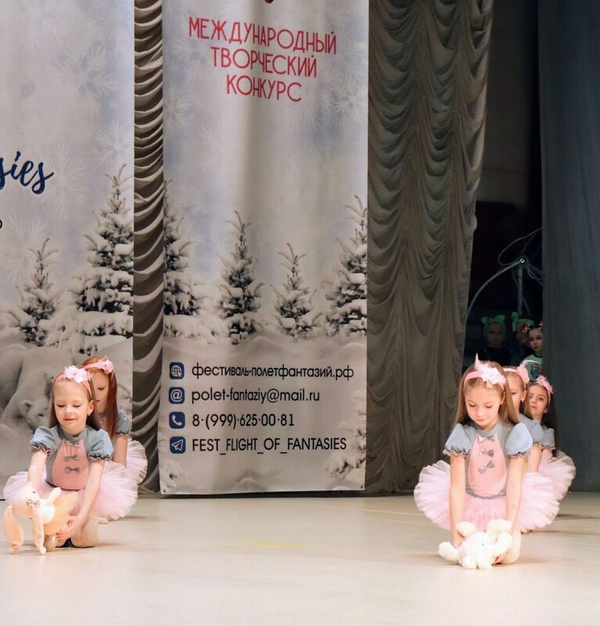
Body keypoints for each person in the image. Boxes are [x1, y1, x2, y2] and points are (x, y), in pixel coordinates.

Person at [414, 357, 559, 564]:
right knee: (470, 549)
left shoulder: (515, 433)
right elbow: (456, 487)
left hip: (502, 503)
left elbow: (515, 485)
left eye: (488, 405)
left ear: (502, 399)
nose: (479, 413)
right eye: (472, 405)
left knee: (508, 556)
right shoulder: (462, 433)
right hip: (471, 502)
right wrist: (456, 534)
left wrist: (508, 529)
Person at [2, 366, 137, 548]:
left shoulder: (97, 438)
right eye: (60, 405)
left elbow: (94, 481)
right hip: (53, 495)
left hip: (83, 495)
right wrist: (31, 490)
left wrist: (81, 517)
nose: (68, 411)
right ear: (54, 406)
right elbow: (36, 466)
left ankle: (86, 523)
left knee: (83, 541)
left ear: (89, 407)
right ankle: (60, 526)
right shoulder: (48, 435)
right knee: (52, 543)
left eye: (76, 405)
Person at [81, 356, 147, 486]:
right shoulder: (77, 413)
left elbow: (119, 463)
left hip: (108, 471)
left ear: (111, 387)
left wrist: (118, 486)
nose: (95, 394)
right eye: (90, 388)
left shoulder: (118, 419)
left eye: (101, 388)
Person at [524, 375, 576, 500]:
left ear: (546, 407)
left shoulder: (546, 432)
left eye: (540, 399)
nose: (533, 401)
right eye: (530, 397)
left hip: (535, 469)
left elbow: (546, 459)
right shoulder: (515, 426)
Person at [503, 364, 543, 472]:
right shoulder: (487, 423)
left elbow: (532, 471)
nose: (507, 398)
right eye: (503, 392)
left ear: (523, 395)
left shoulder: (532, 428)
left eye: (512, 393)